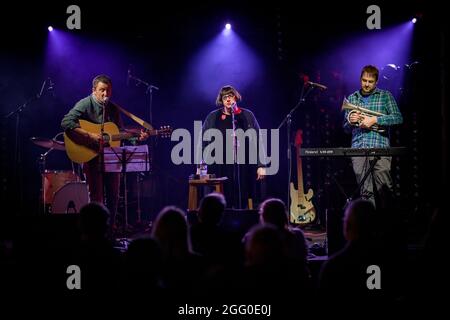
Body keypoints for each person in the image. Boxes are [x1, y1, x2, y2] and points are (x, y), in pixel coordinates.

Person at [61, 74, 148, 228]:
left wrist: (137, 138)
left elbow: (120, 132)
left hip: (110, 157)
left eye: (108, 91)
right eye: (102, 90)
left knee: (114, 196)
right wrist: (90, 135)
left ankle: (111, 230)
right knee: (96, 197)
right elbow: (66, 121)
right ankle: (95, 231)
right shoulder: (85, 103)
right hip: (91, 156)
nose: (105, 94)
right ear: (94, 90)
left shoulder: (113, 109)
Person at [343, 65, 403, 209]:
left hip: (380, 148)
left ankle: (389, 227)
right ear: (360, 79)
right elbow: (345, 129)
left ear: (376, 82)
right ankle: (369, 228)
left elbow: (398, 118)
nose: (367, 84)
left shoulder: (385, 96)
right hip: (358, 149)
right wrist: (350, 122)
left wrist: (375, 120)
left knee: (385, 190)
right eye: (364, 80)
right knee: (365, 193)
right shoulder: (352, 98)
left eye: (370, 81)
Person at [201, 85, 266, 209]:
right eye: (224, 97)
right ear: (221, 100)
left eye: (230, 96)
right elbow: (203, 141)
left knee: (245, 197)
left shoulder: (247, 115)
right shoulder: (213, 117)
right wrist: (202, 164)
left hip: (244, 165)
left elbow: (258, 140)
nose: (228, 99)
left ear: (235, 97)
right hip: (219, 165)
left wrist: (261, 165)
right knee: (221, 199)